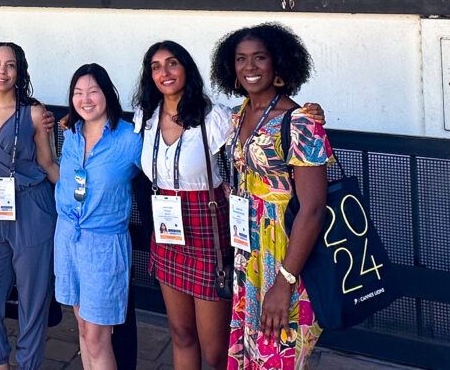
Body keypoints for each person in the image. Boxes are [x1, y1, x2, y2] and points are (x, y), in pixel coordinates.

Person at [211, 24, 332, 370]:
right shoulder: (236, 117)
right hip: (247, 258)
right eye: (240, 59)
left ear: (278, 63)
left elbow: (312, 209)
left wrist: (284, 282)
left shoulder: (301, 122)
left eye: (259, 57)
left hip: (286, 258)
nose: (250, 67)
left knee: (278, 358)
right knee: (251, 356)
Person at [132, 41, 234, 370]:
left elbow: (254, 137)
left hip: (206, 227)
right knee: (180, 332)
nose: (165, 72)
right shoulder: (145, 117)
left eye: (172, 63)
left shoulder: (213, 117)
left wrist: (303, 114)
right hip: (166, 228)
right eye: (156, 66)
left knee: (215, 349)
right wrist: (69, 123)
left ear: (186, 68)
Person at [0, 42, 60, 370]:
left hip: (32, 209)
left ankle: (29, 365)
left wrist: (82, 193)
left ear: (19, 72)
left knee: (33, 304)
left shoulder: (34, 113)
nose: (1, 71)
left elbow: (48, 164)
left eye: (10, 65)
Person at [54, 63, 142, 370]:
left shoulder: (130, 138)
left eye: (93, 91)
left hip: (104, 246)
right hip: (67, 238)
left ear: (108, 93)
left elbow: (161, 170)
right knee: (82, 328)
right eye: (78, 93)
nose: (85, 99)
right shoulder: (72, 133)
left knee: (97, 337)